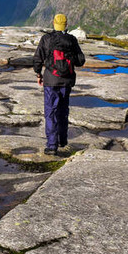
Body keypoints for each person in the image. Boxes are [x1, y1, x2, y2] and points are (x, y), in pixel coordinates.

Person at [33, 13, 85, 156]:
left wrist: (39, 74)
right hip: (66, 81)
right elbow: (81, 61)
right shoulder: (72, 40)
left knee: (51, 113)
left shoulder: (46, 39)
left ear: (53, 23)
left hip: (50, 81)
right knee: (63, 111)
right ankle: (62, 140)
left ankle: (51, 146)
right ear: (66, 25)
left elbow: (37, 59)